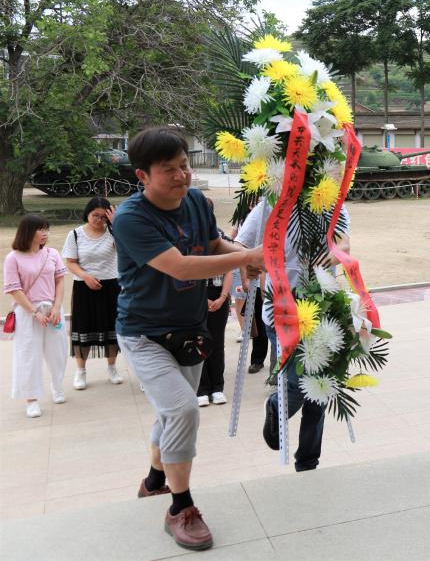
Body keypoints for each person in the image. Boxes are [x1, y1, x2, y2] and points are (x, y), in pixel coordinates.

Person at [112, 127, 263, 551]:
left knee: (169, 413)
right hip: (144, 333)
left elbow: (211, 242)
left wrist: (239, 253)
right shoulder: (131, 218)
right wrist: (249, 256)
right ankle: (180, 506)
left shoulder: (196, 201)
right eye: (168, 170)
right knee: (182, 409)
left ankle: (155, 480)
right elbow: (179, 266)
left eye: (183, 166)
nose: (181, 177)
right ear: (142, 175)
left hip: (191, 329)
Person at [235, 199, 349, 472]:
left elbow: (344, 245)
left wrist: (332, 255)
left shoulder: (332, 203)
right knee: (298, 385)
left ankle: (308, 460)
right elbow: (240, 244)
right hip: (281, 311)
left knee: (320, 389)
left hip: (322, 308)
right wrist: (249, 262)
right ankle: (276, 406)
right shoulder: (269, 206)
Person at [4, 215, 68, 418]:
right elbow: (15, 290)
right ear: (28, 231)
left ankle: (57, 387)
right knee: (28, 357)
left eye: (46, 229)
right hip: (26, 313)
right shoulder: (13, 258)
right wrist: (34, 312)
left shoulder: (52, 254)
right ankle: (31, 399)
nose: (45, 234)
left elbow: (59, 281)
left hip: (52, 310)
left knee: (58, 353)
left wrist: (57, 307)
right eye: (41, 229)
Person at [62, 197, 122, 390]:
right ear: (87, 213)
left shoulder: (114, 233)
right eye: (95, 215)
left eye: (103, 217)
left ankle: (112, 367)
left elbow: (129, 250)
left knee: (111, 327)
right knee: (83, 329)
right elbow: (70, 262)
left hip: (111, 285)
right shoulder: (75, 234)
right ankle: (81, 371)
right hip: (84, 287)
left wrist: (117, 225)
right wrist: (86, 276)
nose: (99, 220)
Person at [196, 266, 231, 407]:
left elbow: (228, 271)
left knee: (217, 343)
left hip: (219, 296)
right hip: (196, 299)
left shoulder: (222, 247)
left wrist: (222, 298)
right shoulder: (191, 247)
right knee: (199, 343)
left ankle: (217, 387)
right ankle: (201, 389)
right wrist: (202, 299)